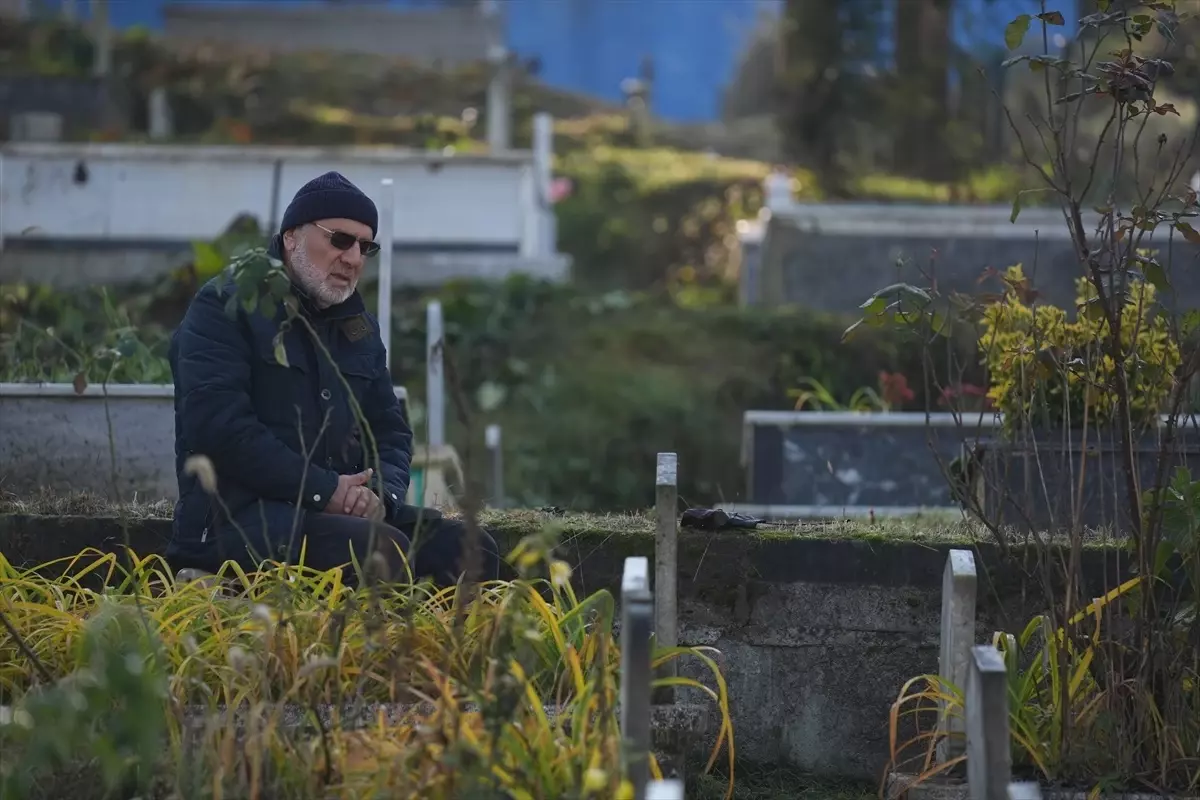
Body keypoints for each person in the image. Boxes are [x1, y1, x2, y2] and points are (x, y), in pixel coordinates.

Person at [166, 171, 500, 588]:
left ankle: (438, 654)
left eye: (366, 246)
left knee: (473, 548)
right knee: (382, 551)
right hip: (240, 521)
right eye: (340, 240)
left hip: (342, 518)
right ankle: (375, 651)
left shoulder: (358, 328)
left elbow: (390, 431)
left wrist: (379, 494)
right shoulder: (222, 307)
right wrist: (325, 490)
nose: (354, 257)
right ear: (291, 237)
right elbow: (217, 427)